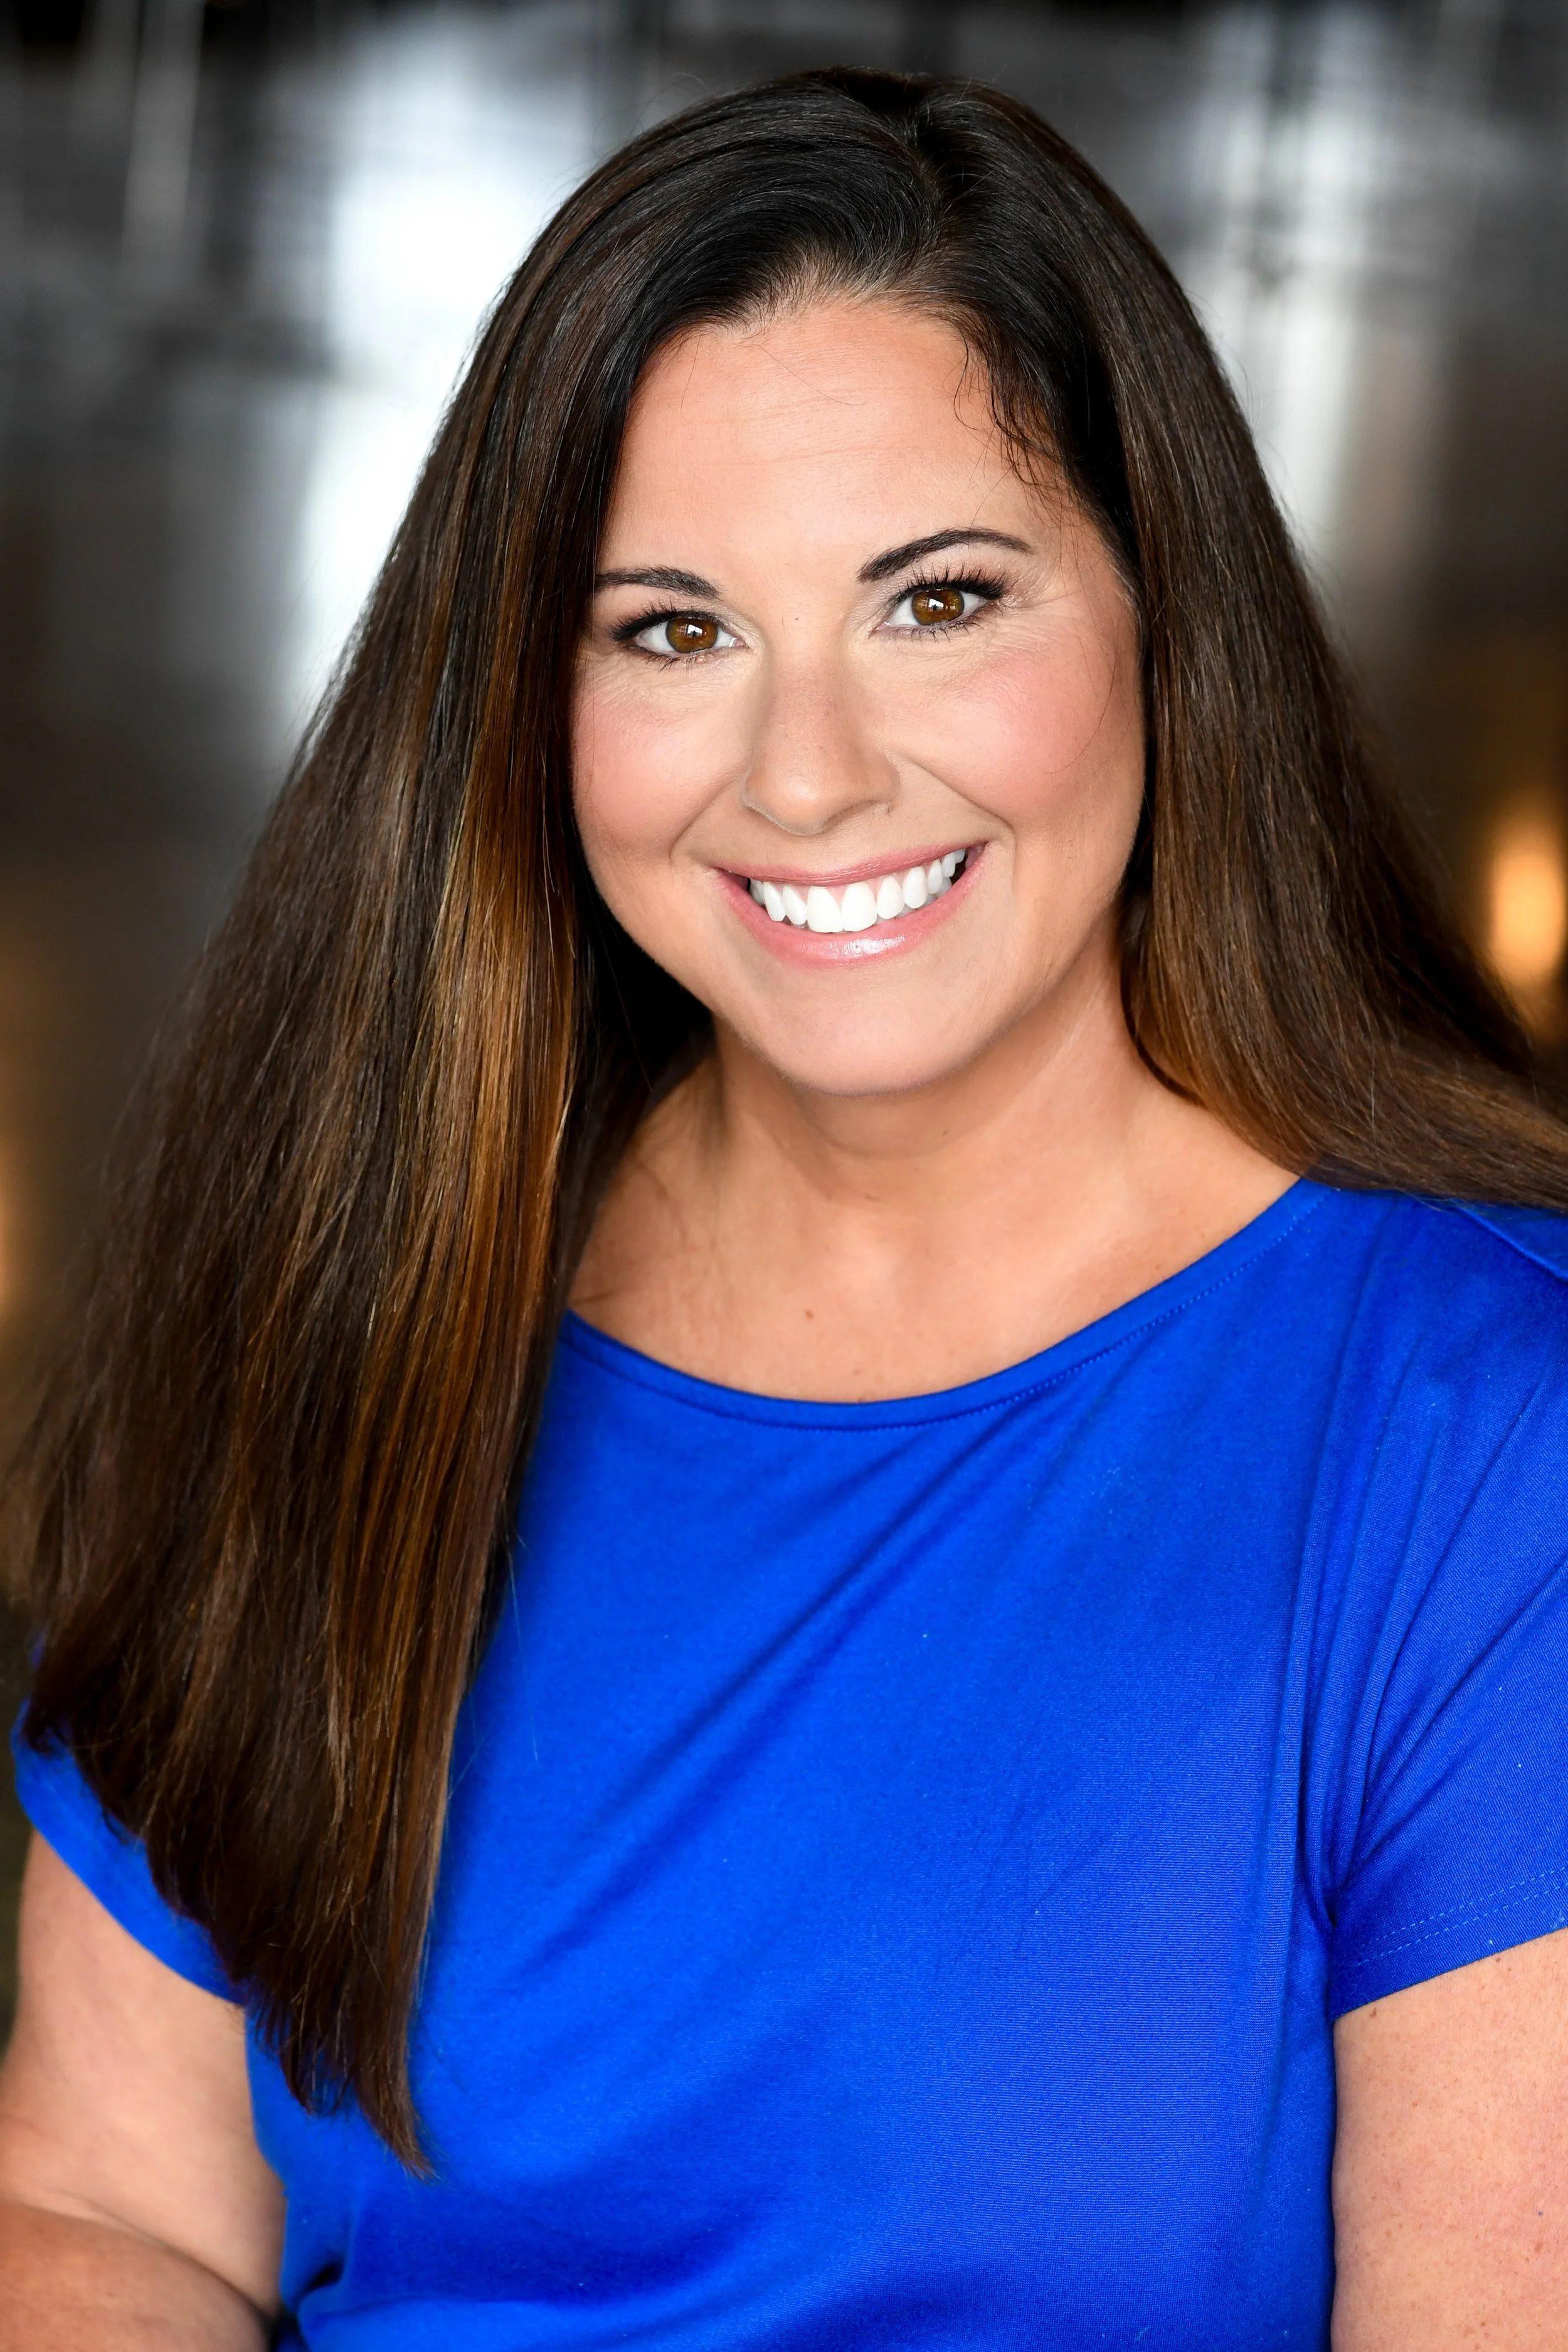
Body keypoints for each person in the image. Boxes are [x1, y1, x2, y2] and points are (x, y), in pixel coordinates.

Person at [1, 64, 1567, 2351]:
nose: (809, 772)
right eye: (668, 629)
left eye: (938, 598)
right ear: (525, 704)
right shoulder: (359, 1304)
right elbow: (103, 2206)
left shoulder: (1481, 1434)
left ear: (1163, 615)